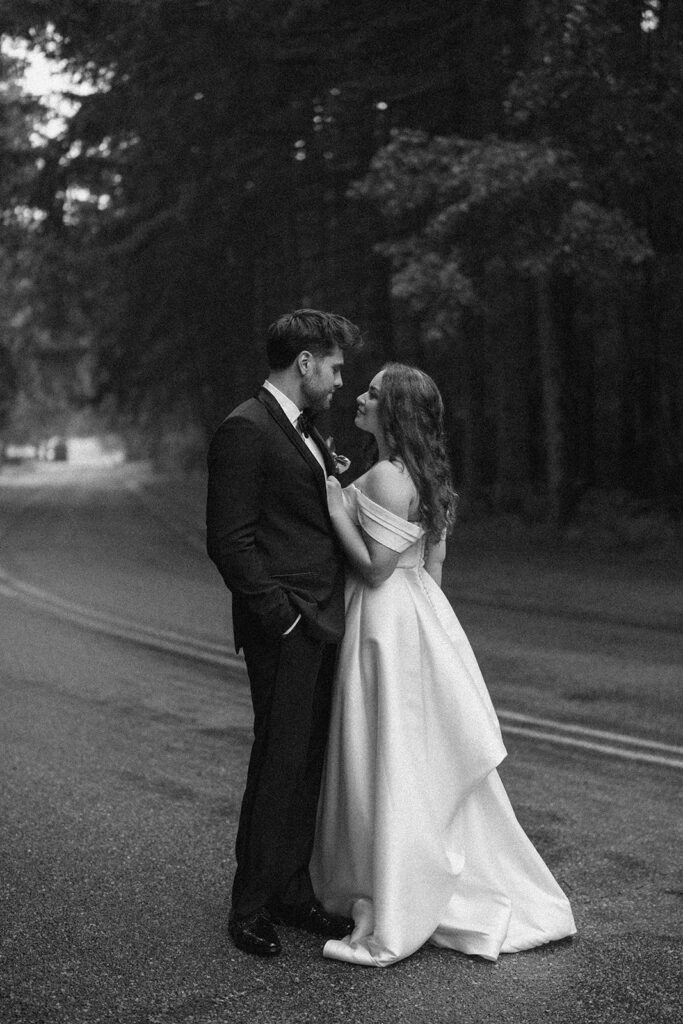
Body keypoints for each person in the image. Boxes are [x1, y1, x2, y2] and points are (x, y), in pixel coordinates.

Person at [310, 362, 576, 967]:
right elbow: (431, 568)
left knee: (381, 752)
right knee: (414, 753)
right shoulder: (428, 477)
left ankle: (390, 887)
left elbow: (375, 568)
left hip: (381, 619)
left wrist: (334, 507)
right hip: (420, 616)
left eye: (373, 393)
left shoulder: (384, 476)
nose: (361, 396)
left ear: (393, 412)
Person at [206, 309, 362, 957]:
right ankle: (249, 907)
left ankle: (292, 894)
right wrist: (284, 617)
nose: (338, 381)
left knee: (305, 767)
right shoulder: (245, 428)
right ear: (303, 362)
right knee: (277, 763)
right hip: (288, 627)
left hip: (323, 622)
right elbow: (229, 542)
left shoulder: (306, 430)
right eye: (332, 367)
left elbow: (303, 516)